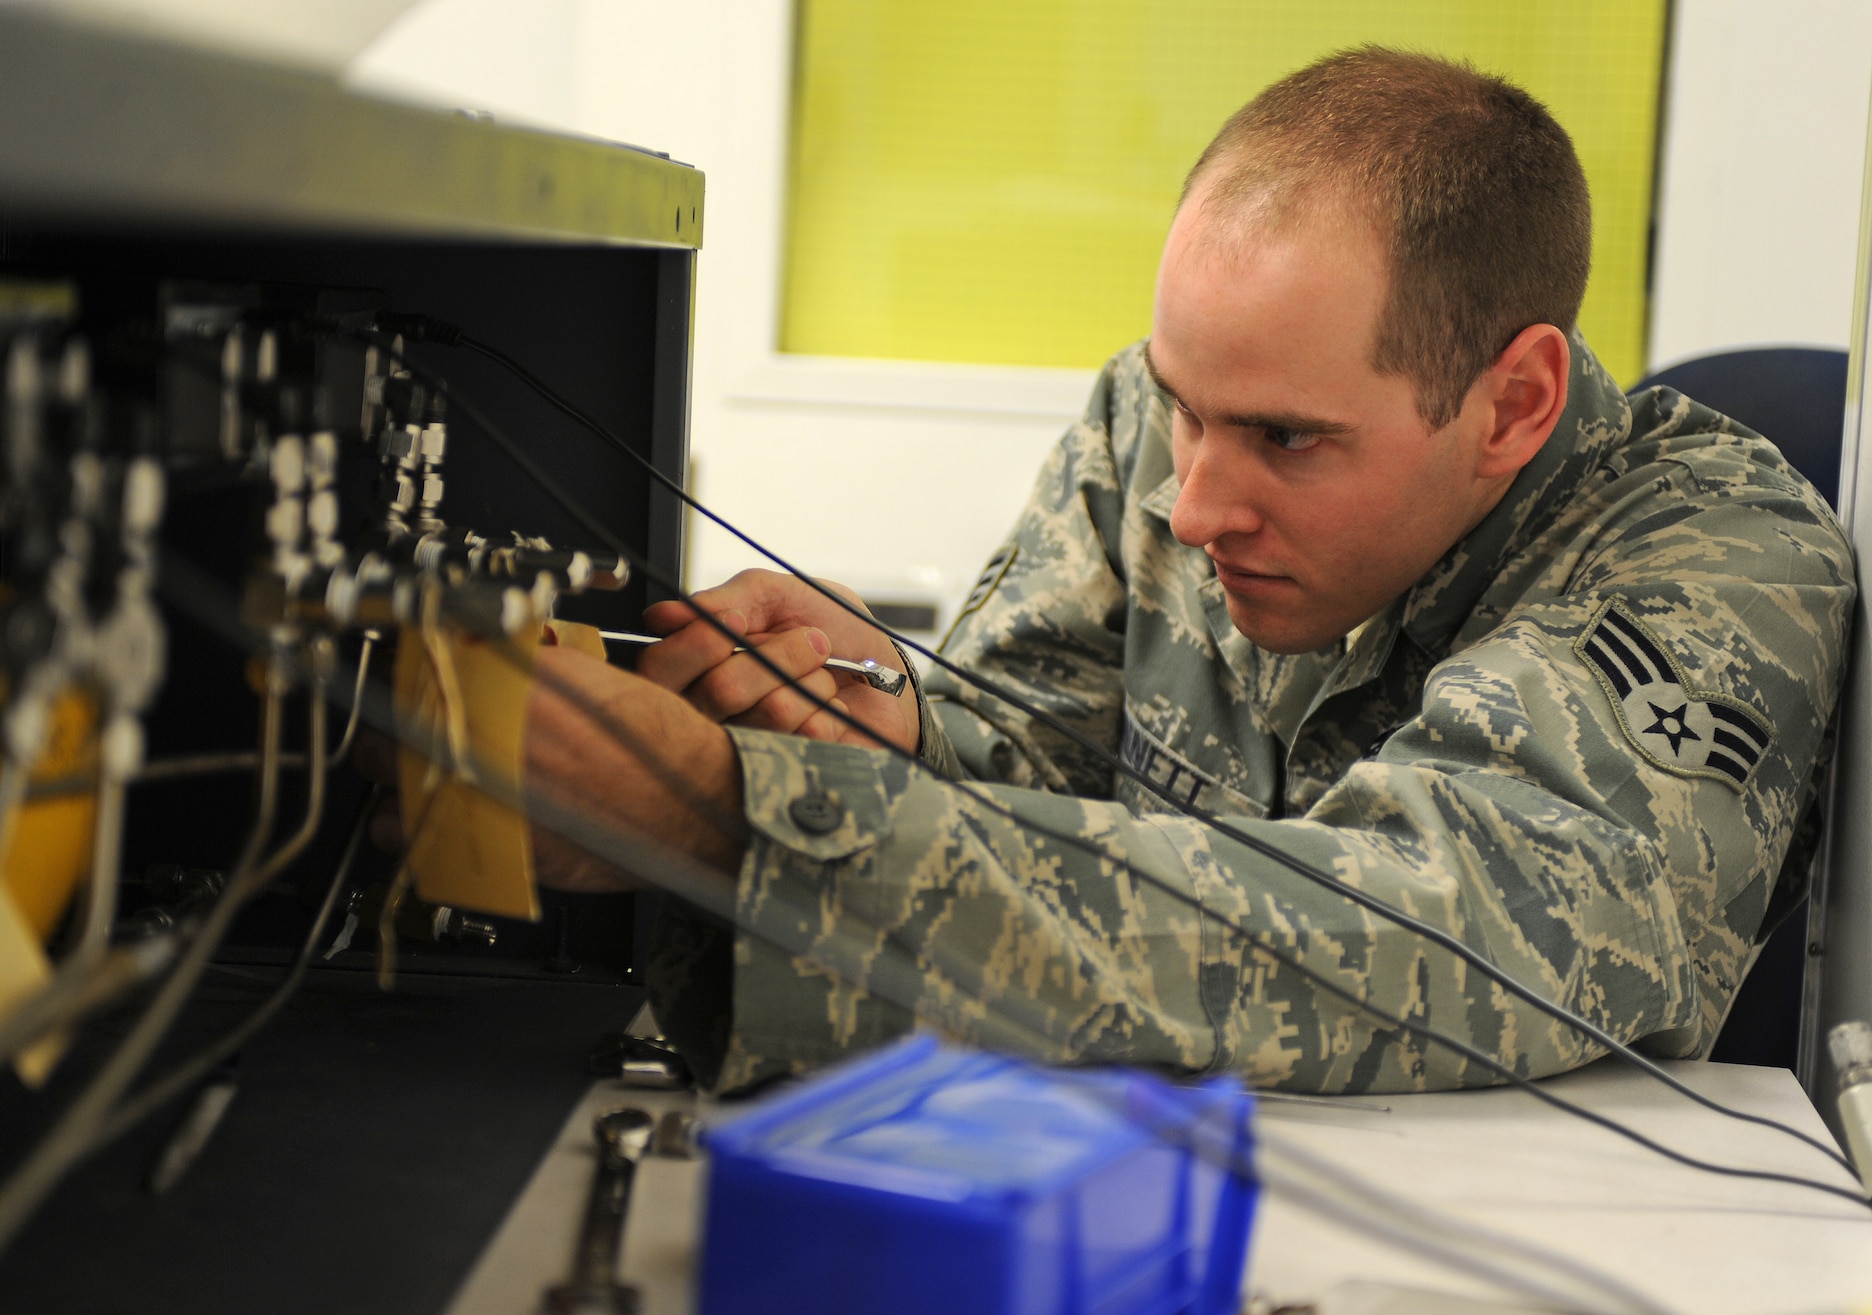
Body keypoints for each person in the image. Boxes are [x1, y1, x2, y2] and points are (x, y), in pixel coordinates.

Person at [517, 48, 1855, 1095]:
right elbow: (1038, 746)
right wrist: (890, 716)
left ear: (1511, 403)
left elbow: (1439, 938)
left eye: (1286, 439)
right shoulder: (1153, 419)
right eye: (1182, 407)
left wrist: (723, 819)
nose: (1196, 502)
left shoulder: (1721, 567)